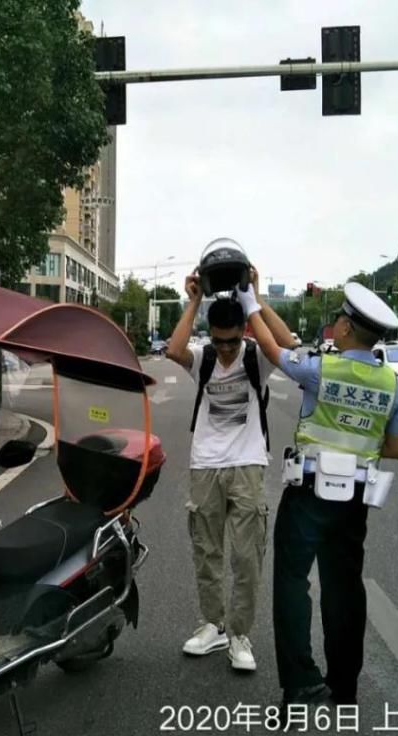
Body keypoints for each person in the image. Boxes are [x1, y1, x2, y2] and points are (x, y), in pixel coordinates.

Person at [237, 282, 398, 710]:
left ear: (346, 329)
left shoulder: (321, 371)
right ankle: (345, 686)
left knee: (293, 583)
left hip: (310, 495)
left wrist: (248, 303)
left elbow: (275, 349)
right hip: (355, 500)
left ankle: (301, 682)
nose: (333, 326)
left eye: (337, 321)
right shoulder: (392, 384)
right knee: (345, 587)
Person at [166, 246, 296, 672]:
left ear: (244, 332)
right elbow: (174, 349)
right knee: (207, 552)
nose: (225, 350)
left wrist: (254, 297)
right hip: (205, 465)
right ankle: (213, 625)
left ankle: (239, 634)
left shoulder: (257, 359)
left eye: (232, 341)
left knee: (245, 556)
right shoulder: (203, 360)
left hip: (247, 465)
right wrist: (194, 299)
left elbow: (291, 344)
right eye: (218, 341)